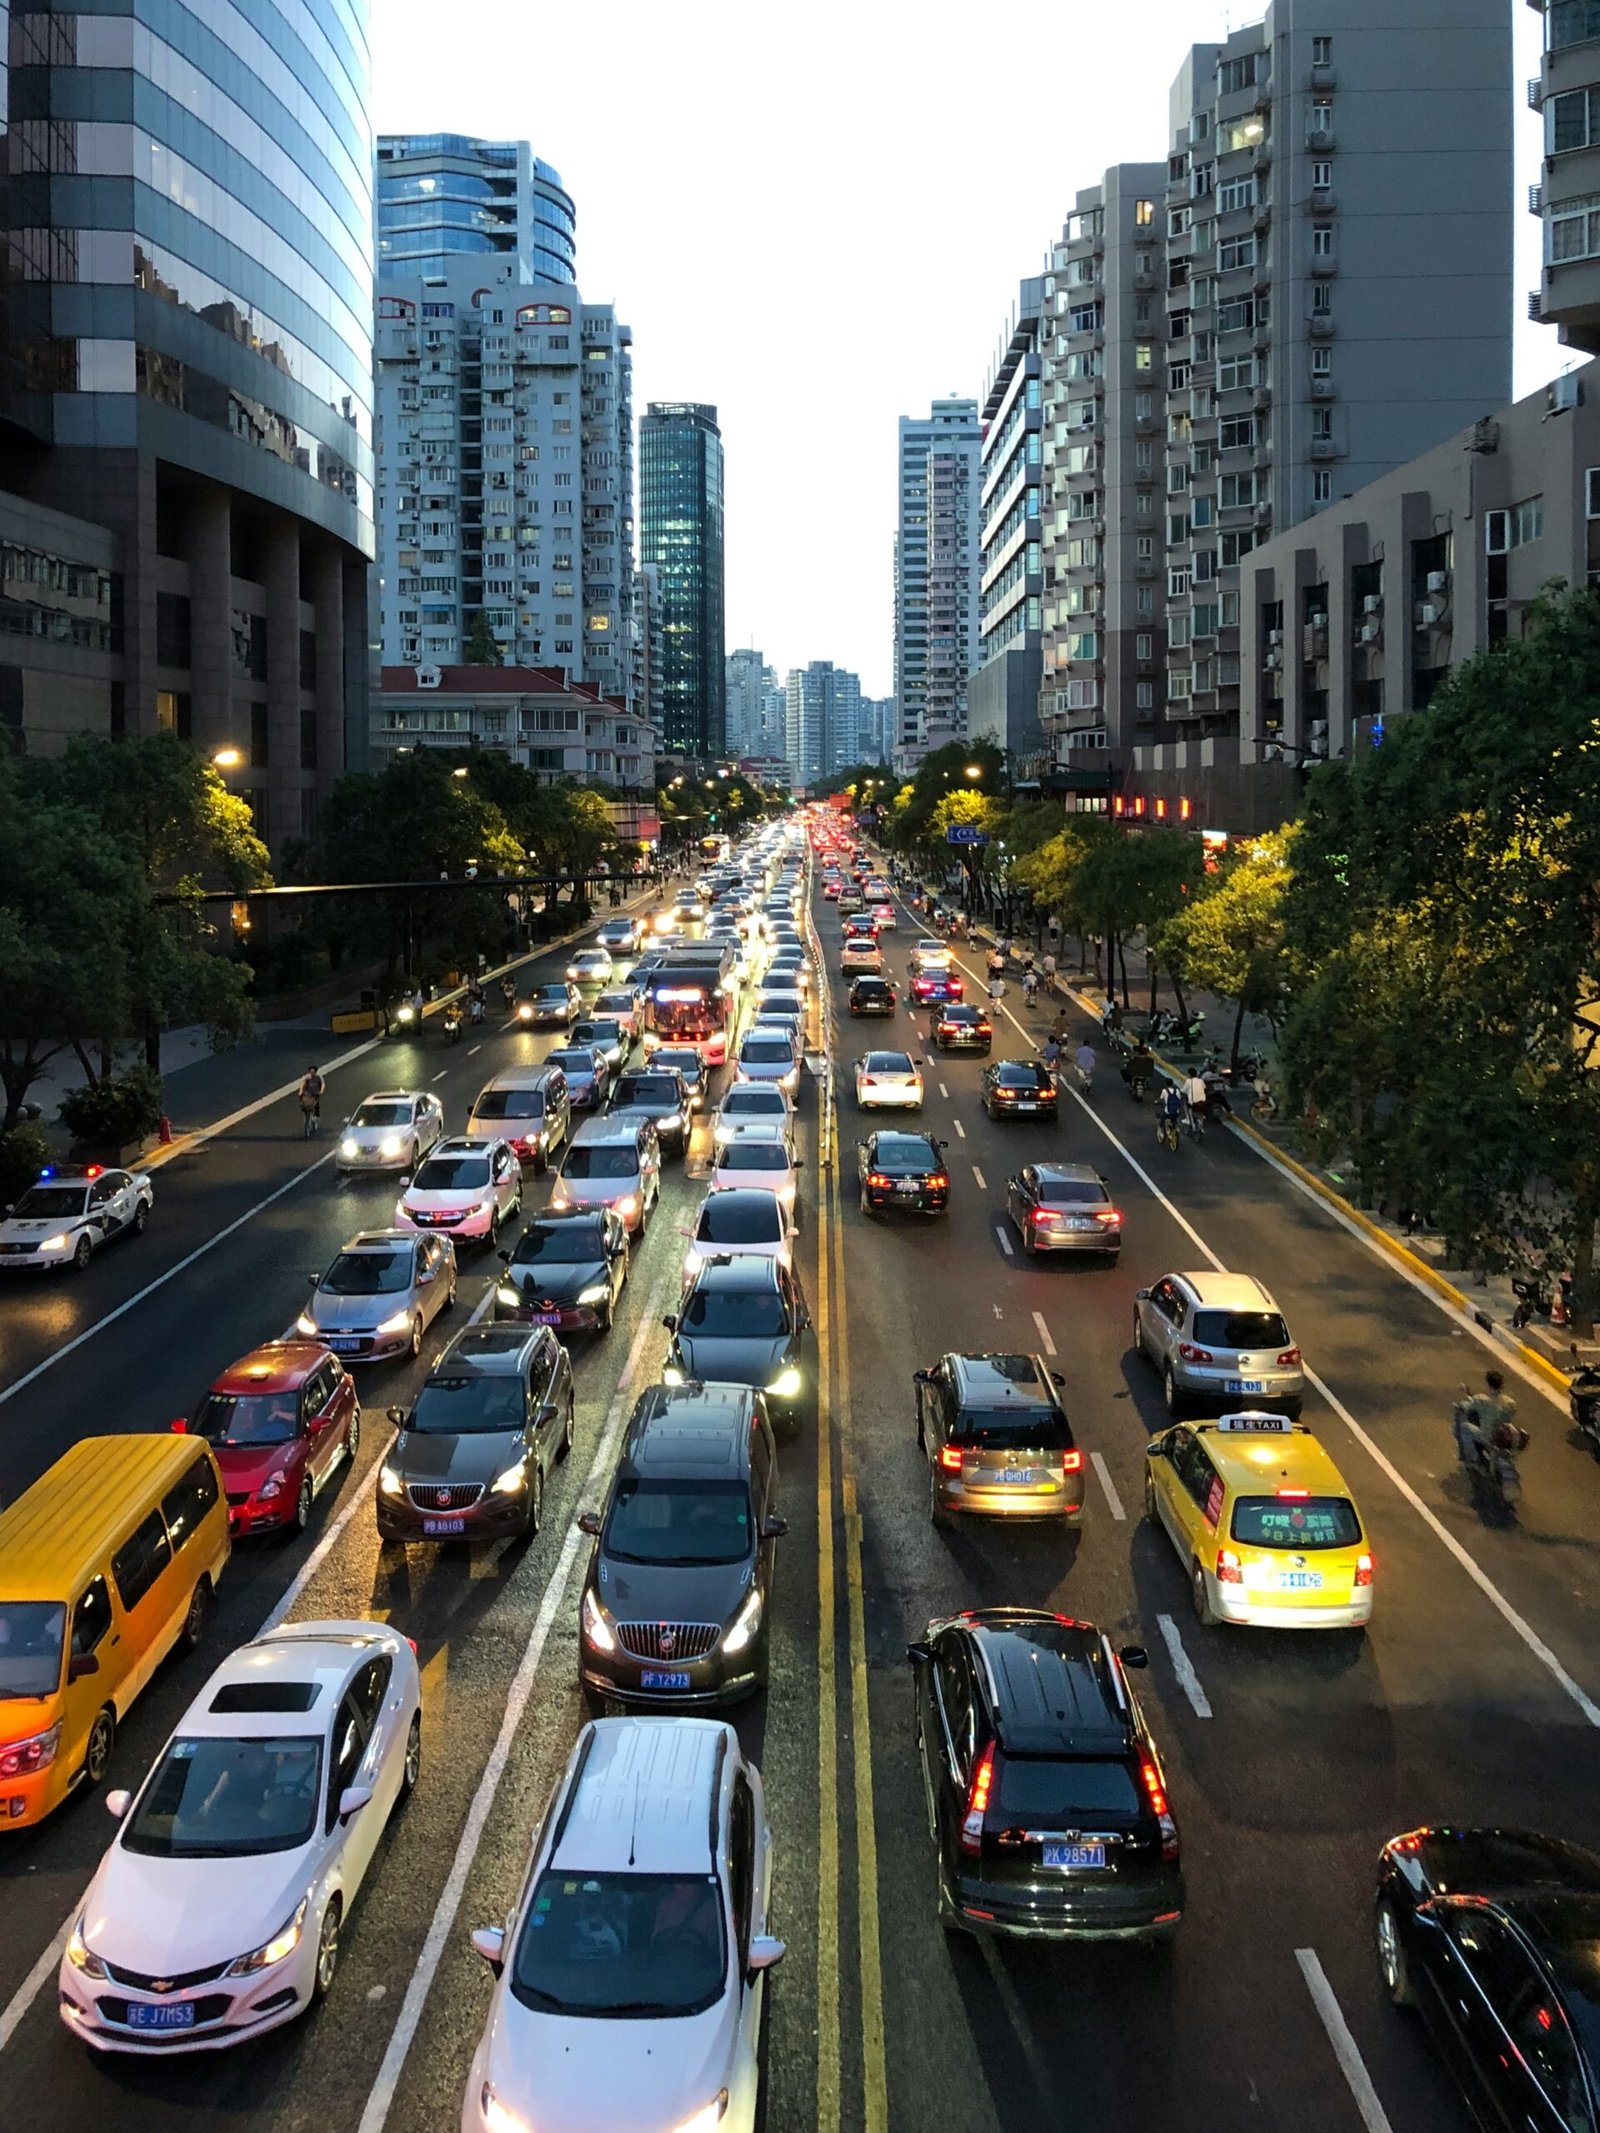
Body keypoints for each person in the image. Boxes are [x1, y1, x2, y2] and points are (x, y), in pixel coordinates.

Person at [1454, 1369, 1521, 1471]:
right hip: (1503, 1436)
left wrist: (1461, 1405)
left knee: (1464, 1427)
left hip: (1487, 1436)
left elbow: (1467, 1406)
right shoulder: (1510, 1402)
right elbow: (1511, 1413)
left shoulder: (1482, 1400)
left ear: (1489, 1384)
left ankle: (1473, 1459)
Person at [298, 1066, 324, 1136]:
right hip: (308, 1094)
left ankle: (315, 1117)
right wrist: (300, 1092)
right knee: (305, 1106)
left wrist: (321, 1091)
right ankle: (307, 1122)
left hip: (315, 1094)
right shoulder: (306, 1077)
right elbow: (302, 1085)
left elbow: (322, 1085)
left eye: (313, 1072)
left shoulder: (319, 1077)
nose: (312, 1073)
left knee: (316, 1106)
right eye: (311, 1072)